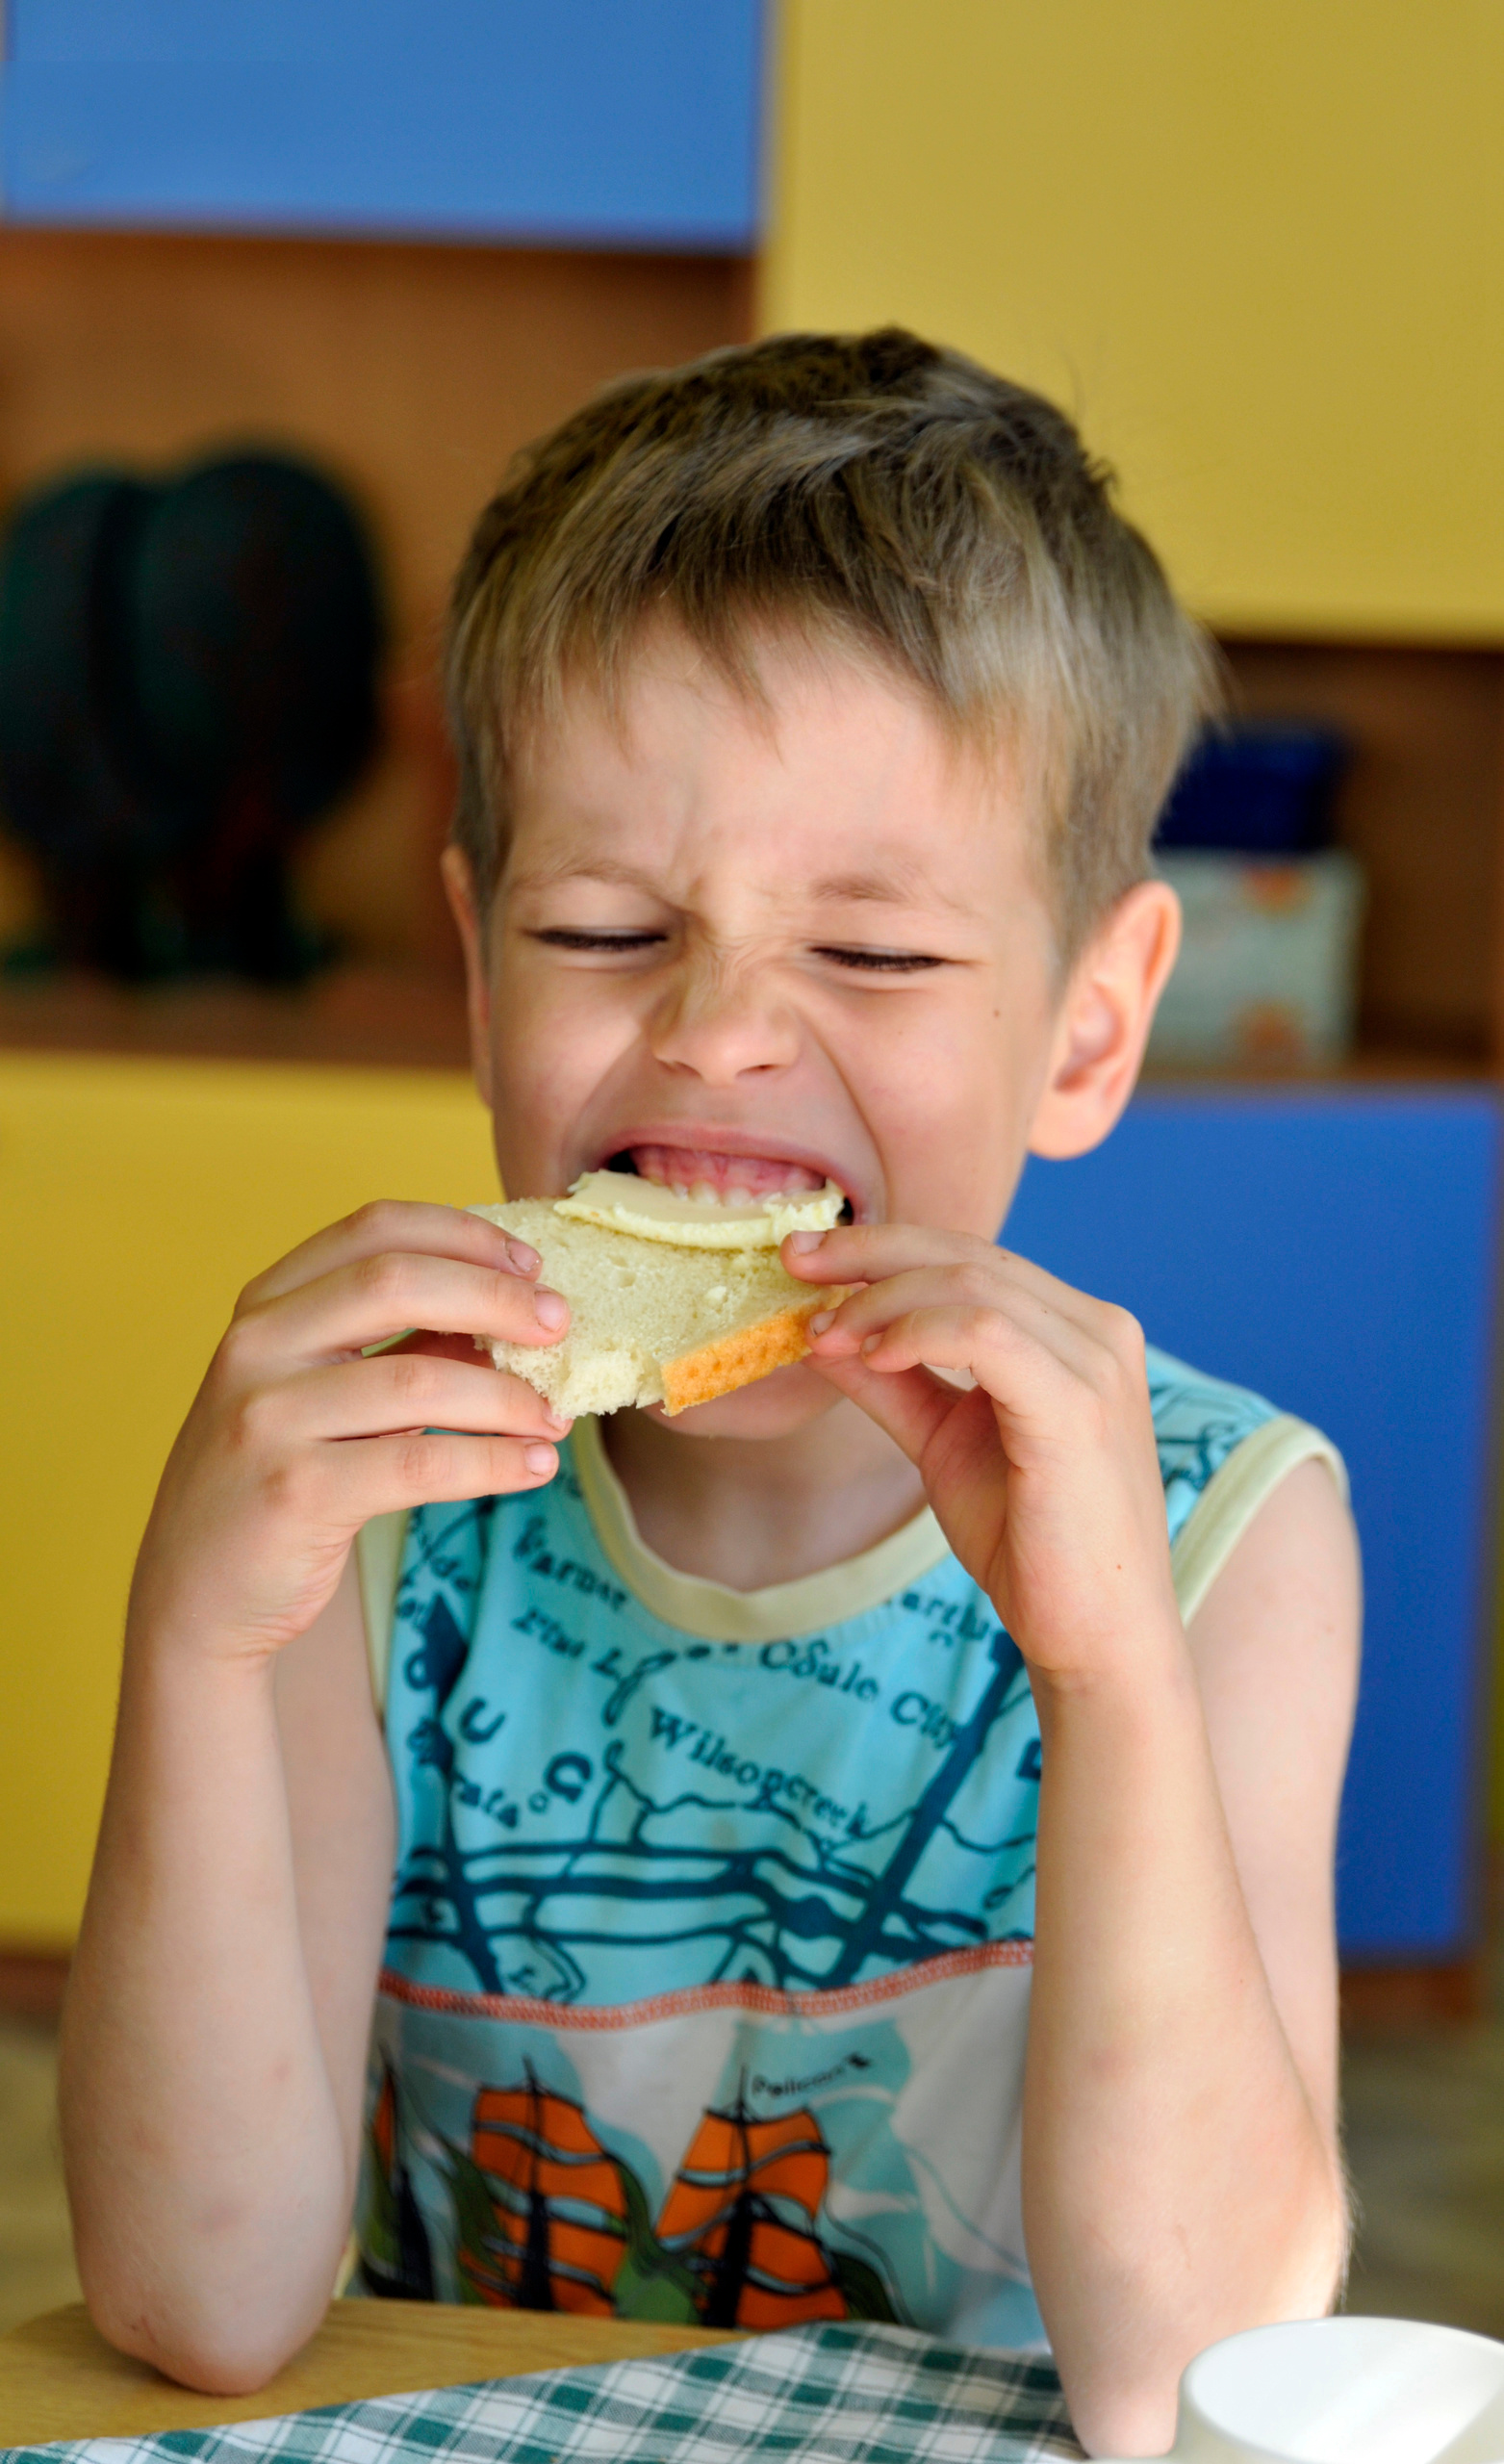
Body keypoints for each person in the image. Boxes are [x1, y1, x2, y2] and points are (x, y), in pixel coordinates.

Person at [59, 331, 1358, 2459]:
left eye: (874, 955)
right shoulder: (374, 1497)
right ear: (477, 969)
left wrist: (1108, 1668)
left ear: (1087, 1028)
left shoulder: (1224, 1530)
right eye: (603, 925)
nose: (723, 1030)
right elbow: (200, 2298)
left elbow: (1191, 2381)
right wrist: (199, 1636)